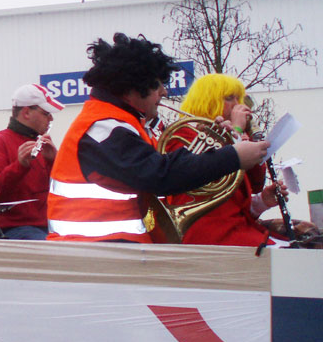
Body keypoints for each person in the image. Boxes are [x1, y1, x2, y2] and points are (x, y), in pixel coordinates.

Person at [47, 33, 269, 243]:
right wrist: (231, 156)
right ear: (133, 87)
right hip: (96, 252)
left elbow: (169, 169)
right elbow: (160, 174)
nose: (164, 92)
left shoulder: (121, 124)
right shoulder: (104, 128)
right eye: (158, 84)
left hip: (110, 249)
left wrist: (220, 140)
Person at [161, 74, 289, 246]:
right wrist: (234, 132)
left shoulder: (234, 137)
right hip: (211, 236)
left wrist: (261, 202)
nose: (238, 105)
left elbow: (253, 185)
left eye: (239, 98)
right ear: (208, 101)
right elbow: (202, 180)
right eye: (229, 98)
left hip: (237, 230)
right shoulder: (183, 134)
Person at [0, 84, 63, 240]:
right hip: (13, 229)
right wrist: (20, 166)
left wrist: (54, 162)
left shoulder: (41, 145)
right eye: (46, 113)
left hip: (46, 226)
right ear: (26, 113)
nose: (51, 119)